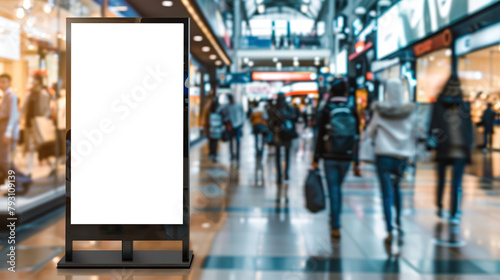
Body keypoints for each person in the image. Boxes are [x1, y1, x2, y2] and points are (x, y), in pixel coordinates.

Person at [365, 78, 417, 244]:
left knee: (386, 193)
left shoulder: (380, 111)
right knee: (397, 190)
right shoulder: (409, 111)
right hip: (402, 156)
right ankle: (399, 223)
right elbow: (414, 132)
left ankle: (389, 229)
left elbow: (370, 132)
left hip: (384, 156)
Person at [312, 77, 360, 239]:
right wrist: (356, 161)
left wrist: (316, 158)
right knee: (337, 187)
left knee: (333, 188)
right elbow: (356, 136)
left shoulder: (327, 109)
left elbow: (320, 136)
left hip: (329, 154)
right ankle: (335, 217)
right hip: (346, 156)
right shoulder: (351, 107)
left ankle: (335, 224)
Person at [428, 75, 474, 224]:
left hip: (455, 149)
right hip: (448, 148)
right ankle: (444, 207)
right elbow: (433, 124)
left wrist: (470, 143)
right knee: (446, 181)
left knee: (453, 183)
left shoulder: (461, 105)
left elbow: (468, 128)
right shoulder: (445, 104)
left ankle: (451, 211)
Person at [21, 74, 51, 176]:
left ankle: (52, 166)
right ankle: (28, 170)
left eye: (34, 80)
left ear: (39, 81)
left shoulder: (44, 94)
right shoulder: (29, 94)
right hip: (29, 125)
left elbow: (47, 110)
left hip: (39, 126)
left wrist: (43, 121)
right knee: (30, 148)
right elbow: (24, 108)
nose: (32, 82)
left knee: (42, 147)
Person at [268, 93, 298, 183]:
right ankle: (286, 172)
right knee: (286, 154)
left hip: (278, 134)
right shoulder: (289, 109)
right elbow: (294, 118)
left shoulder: (275, 109)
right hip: (286, 134)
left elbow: (270, 122)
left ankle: (280, 174)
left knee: (278, 155)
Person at [0, 73, 20, 185]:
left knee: (7, 159)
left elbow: (13, 115)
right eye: (0, 82)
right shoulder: (5, 96)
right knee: (4, 158)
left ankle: (14, 184)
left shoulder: (11, 96)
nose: (1, 84)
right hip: (4, 129)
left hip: (7, 130)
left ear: (9, 83)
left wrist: (8, 132)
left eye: (4, 82)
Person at [220, 94, 245, 161]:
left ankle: (237, 154)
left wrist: (242, 122)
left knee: (237, 140)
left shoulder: (238, 105)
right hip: (231, 126)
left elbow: (243, 114)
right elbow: (223, 113)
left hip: (238, 125)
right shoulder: (227, 106)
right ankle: (231, 154)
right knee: (231, 140)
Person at [206, 96, 223, 162]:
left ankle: (211, 153)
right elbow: (221, 120)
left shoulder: (210, 112)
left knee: (211, 141)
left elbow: (208, 122)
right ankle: (214, 153)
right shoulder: (219, 111)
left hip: (211, 129)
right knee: (215, 142)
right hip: (217, 129)